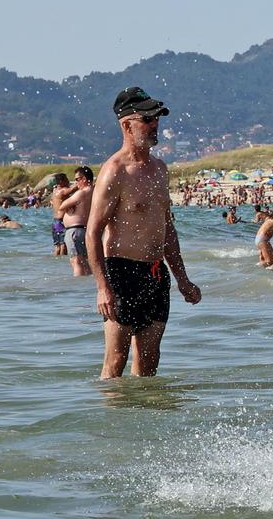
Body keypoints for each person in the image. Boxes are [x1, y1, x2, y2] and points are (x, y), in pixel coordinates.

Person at [87, 87, 203, 378]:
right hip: (121, 273)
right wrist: (103, 287)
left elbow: (168, 229)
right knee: (116, 361)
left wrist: (183, 279)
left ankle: (144, 419)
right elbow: (92, 233)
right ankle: (110, 422)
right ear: (127, 124)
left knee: (149, 363)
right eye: (147, 119)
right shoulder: (115, 171)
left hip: (155, 273)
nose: (155, 124)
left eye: (156, 118)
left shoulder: (160, 169)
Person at [59, 165, 94, 277]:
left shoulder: (83, 192)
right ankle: (86, 285)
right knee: (85, 261)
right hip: (85, 230)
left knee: (76, 261)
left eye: (77, 179)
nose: (76, 183)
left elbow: (62, 206)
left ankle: (78, 289)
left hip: (75, 230)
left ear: (84, 179)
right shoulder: (95, 191)